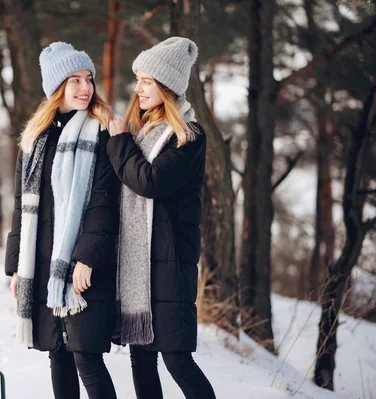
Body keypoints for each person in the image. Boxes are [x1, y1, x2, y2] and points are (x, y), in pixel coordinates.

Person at [4, 41, 119, 399]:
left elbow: (104, 201)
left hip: (84, 265)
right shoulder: (36, 140)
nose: (85, 88)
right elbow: (21, 206)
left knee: (86, 356)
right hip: (42, 264)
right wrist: (15, 270)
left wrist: (87, 257)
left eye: (88, 79)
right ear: (57, 88)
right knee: (58, 354)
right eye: (75, 81)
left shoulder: (101, 133)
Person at [106, 37, 216, 399]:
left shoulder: (188, 137)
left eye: (147, 81)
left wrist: (119, 142)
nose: (137, 88)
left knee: (177, 360)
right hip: (140, 268)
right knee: (141, 360)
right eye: (137, 79)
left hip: (170, 267)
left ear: (166, 86)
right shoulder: (142, 134)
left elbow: (149, 182)